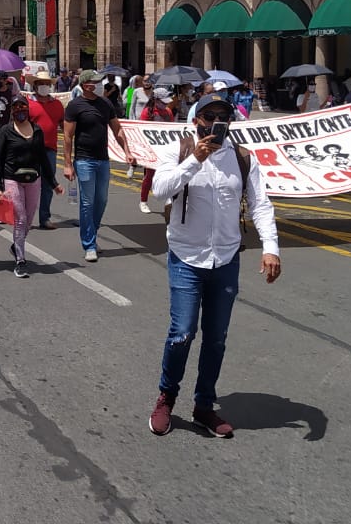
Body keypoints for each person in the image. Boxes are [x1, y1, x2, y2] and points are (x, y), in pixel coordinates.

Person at [147, 94, 281, 437]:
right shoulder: (175, 150)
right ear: (196, 120)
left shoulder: (243, 159)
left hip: (225, 259)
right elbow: (160, 191)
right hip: (186, 257)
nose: (216, 122)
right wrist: (194, 159)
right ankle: (167, 397)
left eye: (223, 116)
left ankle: (204, 404)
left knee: (216, 338)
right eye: (209, 116)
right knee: (182, 333)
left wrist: (271, 248)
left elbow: (260, 204)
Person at [63, 70, 137, 262]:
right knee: (87, 202)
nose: (97, 84)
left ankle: (92, 235)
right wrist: (68, 164)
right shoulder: (75, 106)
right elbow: (68, 137)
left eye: (98, 81)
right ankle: (89, 244)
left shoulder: (105, 103)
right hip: (84, 159)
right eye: (94, 81)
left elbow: (117, 129)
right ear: (85, 84)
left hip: (103, 159)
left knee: (102, 200)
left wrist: (127, 151)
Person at [0, 94, 62, 278]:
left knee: (29, 221)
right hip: (12, 179)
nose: (19, 110)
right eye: (16, 107)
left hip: (34, 179)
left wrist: (54, 183)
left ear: (28, 109)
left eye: (22, 107)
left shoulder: (37, 130)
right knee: (21, 218)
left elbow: (43, 158)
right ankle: (20, 260)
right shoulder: (5, 131)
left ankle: (16, 245)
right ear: (12, 111)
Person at [26, 71, 64, 230]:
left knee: (48, 184)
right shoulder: (27, 103)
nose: (44, 87)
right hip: (30, 149)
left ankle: (45, 217)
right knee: (28, 182)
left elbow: (64, 125)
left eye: (47, 84)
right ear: (35, 86)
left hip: (50, 149)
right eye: (41, 84)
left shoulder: (57, 104)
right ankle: (25, 218)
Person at [138, 86, 176, 213]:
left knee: (169, 173)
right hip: (152, 148)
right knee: (150, 175)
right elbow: (142, 130)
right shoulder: (147, 112)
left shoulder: (168, 112)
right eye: (162, 102)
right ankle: (143, 201)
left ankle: (168, 198)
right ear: (156, 100)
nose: (165, 105)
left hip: (166, 147)